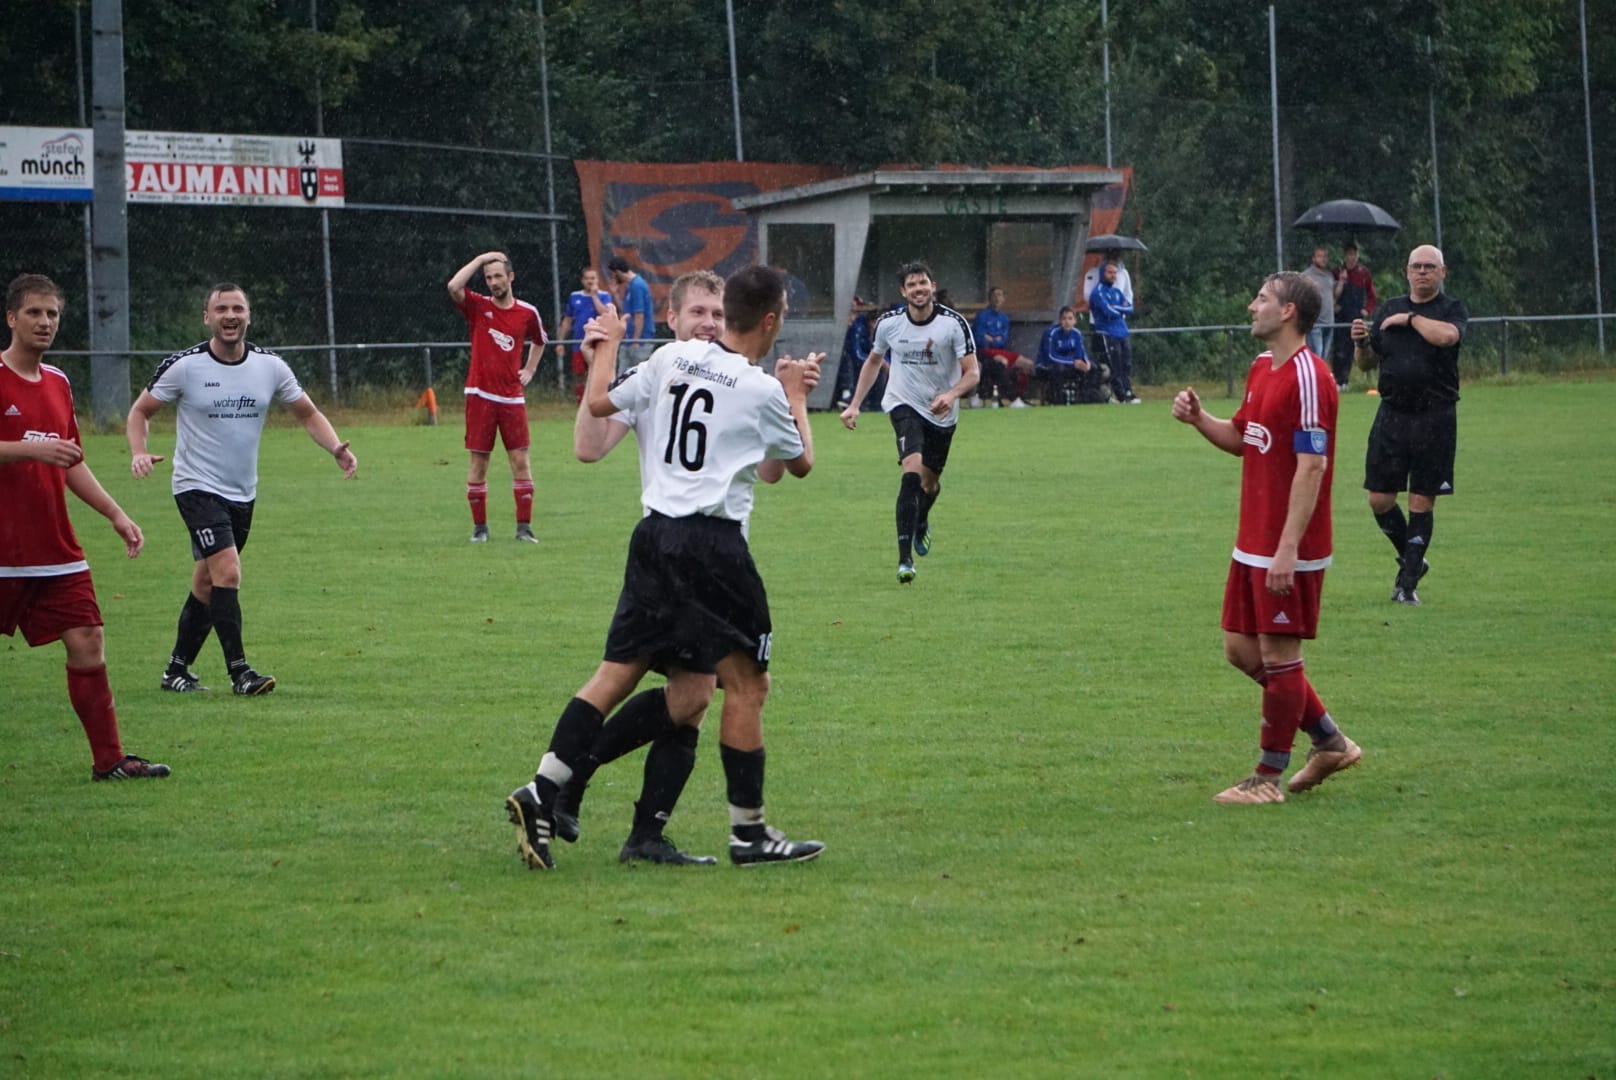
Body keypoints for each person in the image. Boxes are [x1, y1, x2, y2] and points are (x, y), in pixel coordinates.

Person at [505, 264, 825, 871]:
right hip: (712, 547)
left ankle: (548, 789)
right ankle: (749, 834)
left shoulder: (668, 363)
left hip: (653, 538)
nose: (704, 322)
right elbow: (799, 464)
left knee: (645, 682)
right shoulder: (757, 387)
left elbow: (601, 401)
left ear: (724, 312)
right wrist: (797, 396)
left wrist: (605, 348)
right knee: (747, 684)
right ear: (771, 320)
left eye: (712, 312)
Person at [1172, 270, 1360, 805]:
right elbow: (1243, 439)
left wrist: (1287, 548)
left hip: (1287, 546)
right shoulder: (1261, 368)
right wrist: (1199, 419)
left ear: (1287, 313)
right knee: (1240, 649)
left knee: (1280, 656)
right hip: (1252, 539)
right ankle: (1328, 741)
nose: (1251, 305)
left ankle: (1266, 779)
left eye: (1262, 299)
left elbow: (1312, 466)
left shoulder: (1309, 377)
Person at [558, 271, 728, 865]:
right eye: (699, 312)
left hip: (709, 559)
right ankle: (575, 778)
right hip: (673, 557)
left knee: (694, 697)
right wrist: (601, 363)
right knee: (688, 692)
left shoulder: (734, 379)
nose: (709, 322)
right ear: (672, 320)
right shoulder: (655, 370)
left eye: (718, 313)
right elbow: (589, 446)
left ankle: (643, 834)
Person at [127, 283, 358, 697]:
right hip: (195, 487)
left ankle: (175, 670)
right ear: (207, 318)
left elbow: (308, 413)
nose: (230, 315)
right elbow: (141, 410)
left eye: (237, 308)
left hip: (242, 492)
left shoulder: (270, 367)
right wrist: (139, 451)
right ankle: (240, 673)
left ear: (249, 316)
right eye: (221, 309)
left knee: (207, 584)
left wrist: (336, 448)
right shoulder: (185, 366)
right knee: (229, 573)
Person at [1, 274, 170, 781]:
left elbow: (71, 461)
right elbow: (44, 451)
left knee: (88, 639)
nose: (45, 322)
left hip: (54, 548)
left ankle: (110, 761)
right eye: (34, 312)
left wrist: (116, 515)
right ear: (12, 318)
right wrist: (32, 449)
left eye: (52, 314)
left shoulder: (58, 383)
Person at [839, 260, 980, 584]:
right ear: (903, 291)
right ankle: (905, 560)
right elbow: (874, 361)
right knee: (911, 475)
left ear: (932, 286)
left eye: (923, 283)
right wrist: (855, 405)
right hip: (904, 404)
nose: (918, 289)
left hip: (942, 413)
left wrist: (952, 394)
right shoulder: (889, 324)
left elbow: (973, 372)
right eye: (912, 285)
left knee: (929, 484)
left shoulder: (953, 324)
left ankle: (921, 520)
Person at [1351, 244, 1469, 606]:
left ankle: (1406, 585)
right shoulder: (1388, 308)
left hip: (1435, 416)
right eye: (1416, 266)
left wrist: (1412, 319)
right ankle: (1413, 557)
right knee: (1379, 499)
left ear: (1442, 272)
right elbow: (1368, 364)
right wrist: (1360, 344)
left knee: (1421, 499)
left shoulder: (1451, 310)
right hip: (1392, 414)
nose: (1422, 272)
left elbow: (1447, 337)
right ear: (1406, 271)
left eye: (1429, 267)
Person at [447, 251, 547, 543]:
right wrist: (480, 260)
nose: (493, 282)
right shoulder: (478, 307)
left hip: (512, 398)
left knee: (520, 461)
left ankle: (524, 529)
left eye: (498, 276)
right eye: (488, 277)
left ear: (511, 277)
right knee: (479, 463)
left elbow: (540, 340)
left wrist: (529, 369)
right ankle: (480, 530)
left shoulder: (527, 313)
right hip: (480, 395)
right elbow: (454, 287)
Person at [554, 267, 613, 403]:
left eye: (593, 278)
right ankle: (580, 401)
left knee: (597, 374)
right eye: (587, 279)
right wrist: (560, 342)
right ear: (582, 280)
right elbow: (567, 320)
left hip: (598, 342)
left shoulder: (604, 296)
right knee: (579, 374)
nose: (590, 281)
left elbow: (605, 313)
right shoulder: (575, 296)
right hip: (579, 343)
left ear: (597, 280)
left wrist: (594, 296)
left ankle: (597, 400)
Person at [1089, 261, 1141, 405]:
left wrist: (1116, 308)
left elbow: (1130, 309)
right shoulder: (1098, 292)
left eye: (1114, 273)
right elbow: (1107, 311)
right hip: (1107, 333)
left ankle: (1129, 392)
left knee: (1126, 364)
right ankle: (1121, 395)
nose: (1113, 276)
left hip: (1122, 332)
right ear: (1102, 274)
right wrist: (1118, 310)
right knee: (1115, 365)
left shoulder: (1117, 292)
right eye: (1109, 272)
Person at [972, 287, 1033, 407]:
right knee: (1001, 363)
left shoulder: (1004, 318)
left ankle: (1021, 396)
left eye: (1000, 295)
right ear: (990, 298)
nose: (997, 298)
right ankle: (1012, 398)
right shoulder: (982, 316)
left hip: (1000, 350)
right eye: (995, 295)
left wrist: (991, 339)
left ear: (1003, 299)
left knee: (1028, 364)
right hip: (985, 351)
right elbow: (979, 338)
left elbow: (1003, 340)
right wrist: (994, 340)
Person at [1329, 242, 1376, 389]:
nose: (1351, 258)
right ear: (1344, 256)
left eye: (1354, 254)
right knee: (1338, 348)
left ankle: (1345, 380)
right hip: (1339, 317)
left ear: (1357, 256)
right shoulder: (1337, 272)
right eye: (1349, 254)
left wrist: (1367, 310)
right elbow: (1330, 293)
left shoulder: (1364, 273)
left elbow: (1372, 295)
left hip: (1355, 317)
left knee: (1351, 348)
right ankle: (1337, 380)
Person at [1033, 306, 1094, 405]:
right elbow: (1050, 356)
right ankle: (1057, 399)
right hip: (1046, 366)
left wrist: (1086, 362)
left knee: (1093, 368)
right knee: (1059, 369)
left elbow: (1081, 352)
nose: (1067, 322)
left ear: (1075, 321)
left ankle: (1085, 398)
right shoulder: (1051, 333)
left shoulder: (1077, 334)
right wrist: (1073, 362)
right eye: (1064, 319)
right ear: (1060, 320)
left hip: (1068, 365)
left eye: (1070, 319)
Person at [607, 255, 656, 368]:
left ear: (618, 272)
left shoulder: (637, 286)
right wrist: (615, 293)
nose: (613, 277)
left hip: (640, 341)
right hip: (628, 339)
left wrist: (636, 340)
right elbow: (626, 312)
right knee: (623, 376)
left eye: (613, 274)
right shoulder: (630, 286)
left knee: (636, 375)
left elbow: (639, 315)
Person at [832, 302, 876, 412]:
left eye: (855, 314)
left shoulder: (858, 328)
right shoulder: (855, 329)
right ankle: (847, 395)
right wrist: (872, 361)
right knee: (848, 362)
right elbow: (856, 353)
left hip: (854, 361)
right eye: (852, 313)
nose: (853, 318)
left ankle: (869, 402)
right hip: (849, 362)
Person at [1300, 246, 1339, 362]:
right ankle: (1314, 379)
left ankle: (1320, 379)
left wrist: (1341, 281)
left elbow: (1333, 295)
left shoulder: (1329, 275)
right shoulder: (1306, 276)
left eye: (1325, 256)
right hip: (1315, 322)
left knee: (1323, 357)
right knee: (1316, 356)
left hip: (1329, 322)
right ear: (1313, 258)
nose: (1323, 259)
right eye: (1320, 256)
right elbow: (1301, 297)